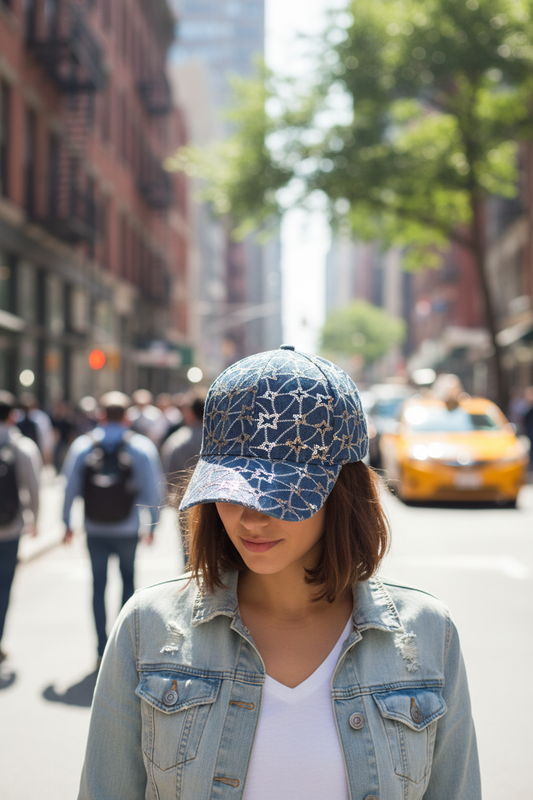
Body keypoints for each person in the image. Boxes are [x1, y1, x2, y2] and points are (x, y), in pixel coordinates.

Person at [78, 347, 481, 800]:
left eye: (281, 493)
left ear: (342, 490)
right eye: (231, 489)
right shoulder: (146, 628)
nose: (251, 519)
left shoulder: (428, 633)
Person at [62, 391, 164, 666]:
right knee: (128, 585)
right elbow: (153, 490)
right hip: (127, 527)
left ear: (100, 415)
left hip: (94, 528)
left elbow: (69, 486)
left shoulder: (83, 445)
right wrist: (153, 525)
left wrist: (66, 522)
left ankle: (100, 647)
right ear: (128, 417)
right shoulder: (140, 447)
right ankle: (123, 648)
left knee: (98, 586)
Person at [0, 391, 42, 663]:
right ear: (13, 416)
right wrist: (34, 521)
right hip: (10, 527)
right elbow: (34, 488)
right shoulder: (22, 447)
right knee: (4, 587)